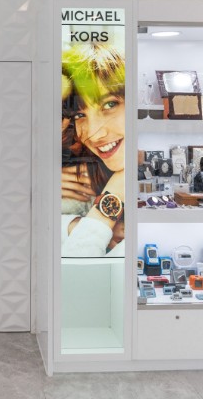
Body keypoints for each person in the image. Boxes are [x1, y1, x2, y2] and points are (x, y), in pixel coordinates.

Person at [60, 43, 126, 257]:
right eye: (80, 115)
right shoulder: (79, 175)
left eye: (109, 105)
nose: (94, 135)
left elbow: (81, 264)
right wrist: (73, 224)